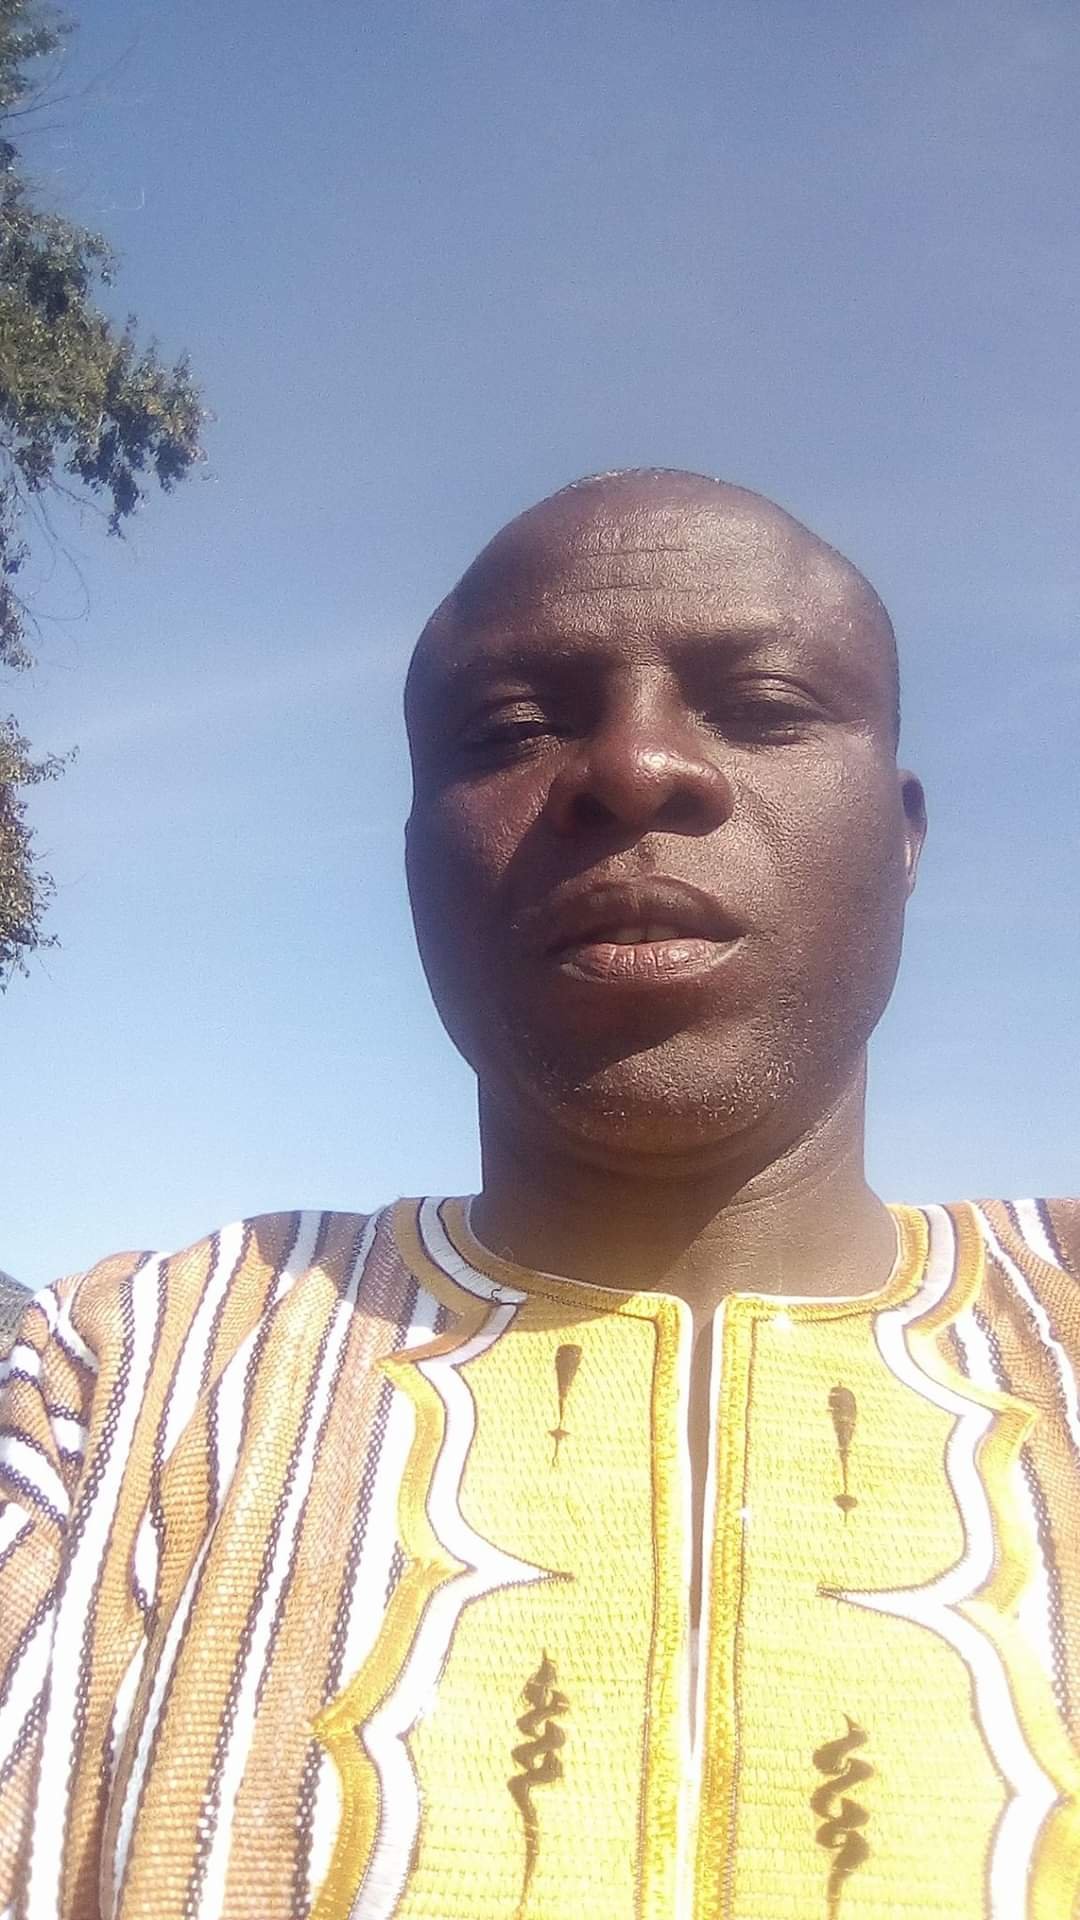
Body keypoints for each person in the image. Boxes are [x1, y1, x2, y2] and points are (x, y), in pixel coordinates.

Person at [1, 469, 1077, 1920]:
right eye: (513, 728)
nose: (635, 767)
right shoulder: (115, 1383)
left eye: (763, 705)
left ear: (903, 837)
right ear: (415, 865)